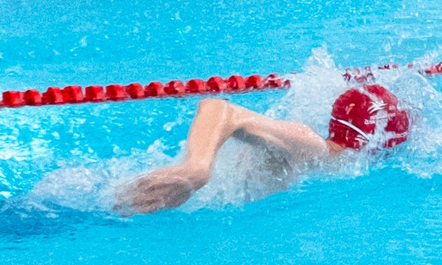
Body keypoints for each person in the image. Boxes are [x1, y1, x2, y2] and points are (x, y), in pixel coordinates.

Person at [112, 82, 413, 215]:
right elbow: (219, 109)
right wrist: (195, 171)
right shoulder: (312, 147)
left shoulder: (320, 162)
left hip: (142, 200)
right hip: (131, 197)